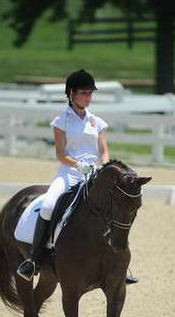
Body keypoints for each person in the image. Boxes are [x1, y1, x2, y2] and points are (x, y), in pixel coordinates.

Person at [17, 69, 138, 285]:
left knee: (117, 208)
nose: (88, 97)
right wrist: (79, 165)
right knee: (48, 205)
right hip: (69, 174)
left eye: (90, 93)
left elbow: (104, 151)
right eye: (84, 93)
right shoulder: (61, 121)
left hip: (95, 175)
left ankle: (120, 263)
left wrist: (104, 167)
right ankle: (34, 260)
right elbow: (60, 154)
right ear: (71, 94)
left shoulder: (97, 122)